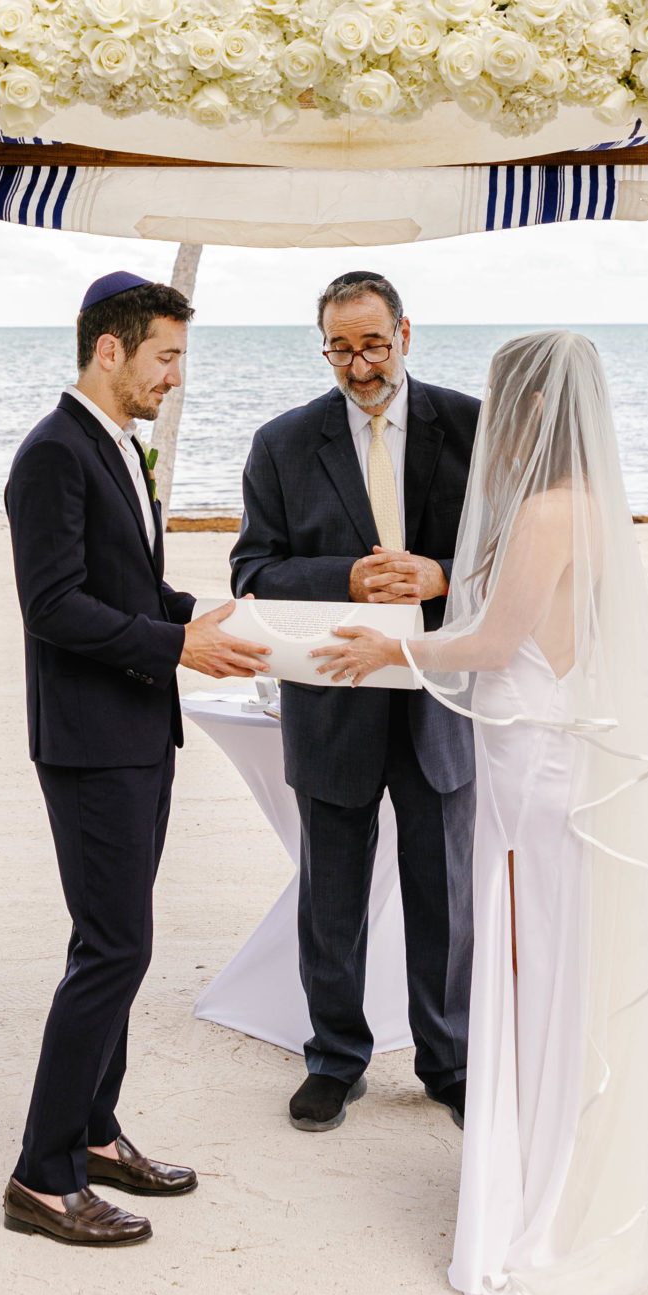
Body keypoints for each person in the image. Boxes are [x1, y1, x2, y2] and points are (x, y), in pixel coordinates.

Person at [314, 331, 648, 1295]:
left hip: (532, 765)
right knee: (560, 971)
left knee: (529, 973)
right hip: (565, 750)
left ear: (528, 409)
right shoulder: (595, 508)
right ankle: (558, 1177)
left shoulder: (541, 511)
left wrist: (386, 645)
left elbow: (491, 640)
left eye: (502, 402)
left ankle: (532, 1200)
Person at [3, 270, 268, 1247]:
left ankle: (97, 1133)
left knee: (115, 943)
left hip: (135, 731)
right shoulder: (51, 453)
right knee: (114, 949)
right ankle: (41, 1173)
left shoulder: (115, 445)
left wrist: (194, 613)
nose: (175, 377)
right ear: (108, 350)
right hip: (88, 739)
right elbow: (55, 605)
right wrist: (176, 648)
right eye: (165, 356)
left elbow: (126, 583)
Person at [231, 271, 480, 1133]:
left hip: (440, 698)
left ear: (406, 333)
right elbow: (251, 572)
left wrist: (441, 574)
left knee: (444, 894)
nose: (359, 365)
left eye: (373, 344)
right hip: (331, 703)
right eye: (340, 348)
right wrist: (346, 576)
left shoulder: (474, 426)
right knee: (329, 894)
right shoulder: (281, 442)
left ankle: (448, 1062)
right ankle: (336, 1060)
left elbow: (516, 554)